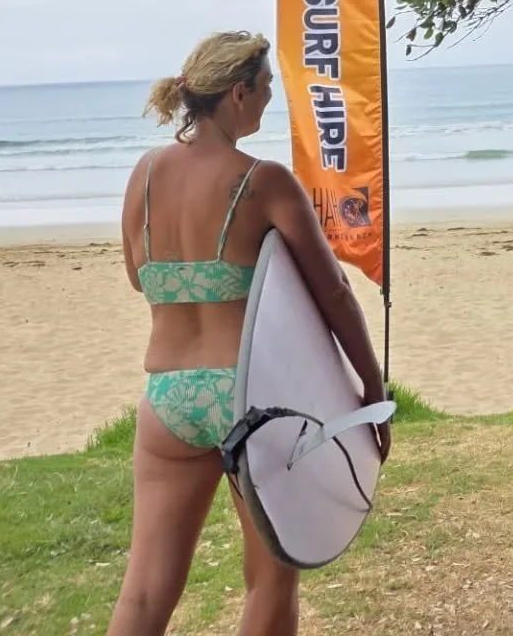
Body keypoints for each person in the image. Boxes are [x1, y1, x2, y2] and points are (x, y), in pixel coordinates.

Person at [107, 32, 389, 636]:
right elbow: (334, 292)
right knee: (269, 578)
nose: (268, 100)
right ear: (238, 93)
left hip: (168, 398)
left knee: (146, 587)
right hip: (248, 399)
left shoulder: (145, 175)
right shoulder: (264, 181)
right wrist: (371, 386)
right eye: (265, 89)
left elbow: (138, 276)